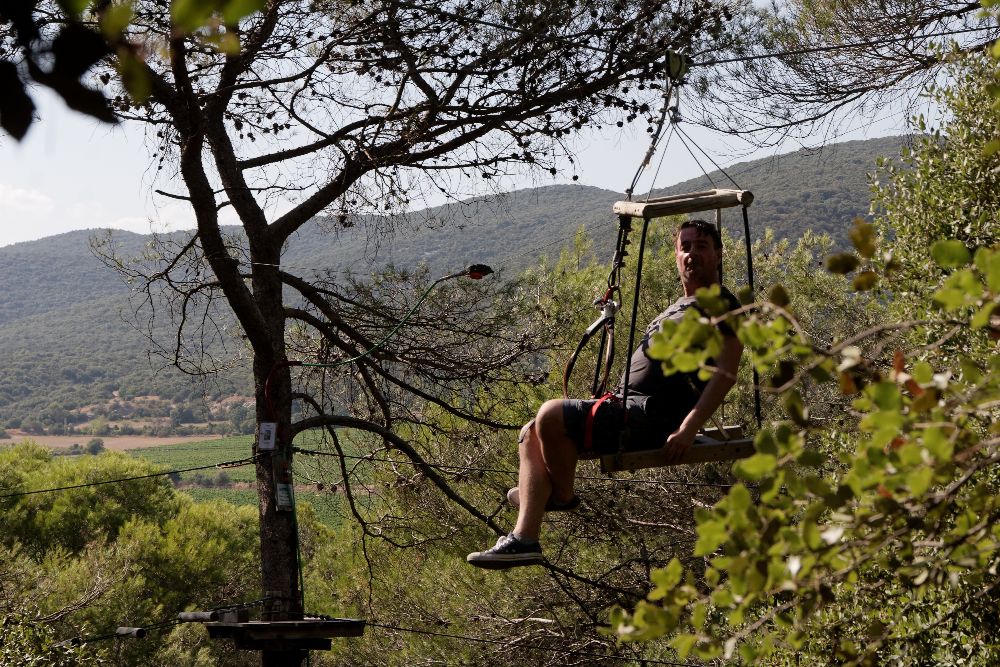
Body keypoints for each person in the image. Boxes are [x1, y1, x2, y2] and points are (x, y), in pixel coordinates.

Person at [467, 219, 744, 569]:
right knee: (530, 433)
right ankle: (528, 531)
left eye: (702, 246)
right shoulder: (681, 304)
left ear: (718, 254)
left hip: (649, 418)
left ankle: (554, 499)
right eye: (685, 247)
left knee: (551, 414)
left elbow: (726, 372)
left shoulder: (722, 304)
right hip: (626, 408)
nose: (692, 254)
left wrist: (689, 427)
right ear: (676, 255)